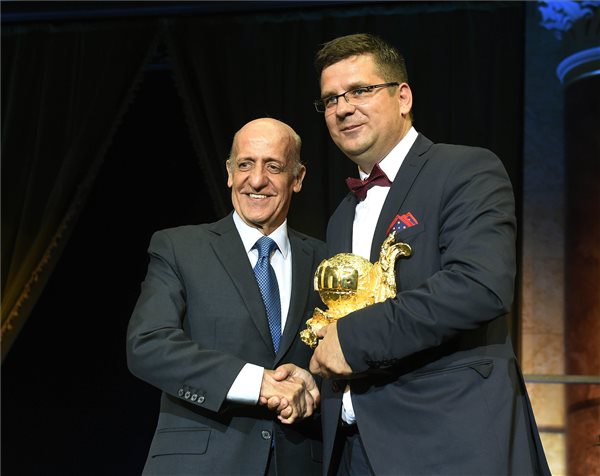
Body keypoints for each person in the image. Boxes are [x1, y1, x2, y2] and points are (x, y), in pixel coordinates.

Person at [308, 33, 550, 475]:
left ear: (403, 97)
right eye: (330, 100)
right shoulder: (342, 215)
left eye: (360, 90)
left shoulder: (465, 169)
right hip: (355, 450)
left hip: (448, 444)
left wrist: (352, 339)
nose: (343, 108)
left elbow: (479, 286)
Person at [127, 117, 325, 475]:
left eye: (273, 166)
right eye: (245, 164)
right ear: (229, 173)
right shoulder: (180, 247)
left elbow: (345, 361)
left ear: (297, 178)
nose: (257, 180)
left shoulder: (326, 261)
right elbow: (148, 345)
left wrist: (314, 387)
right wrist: (257, 382)